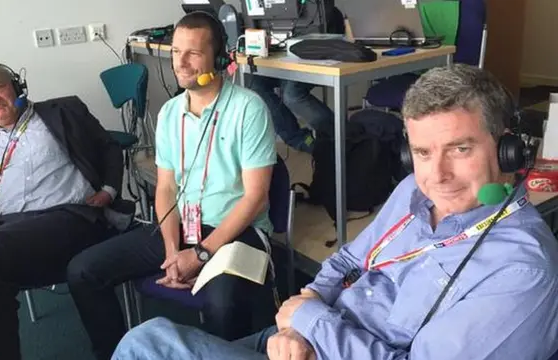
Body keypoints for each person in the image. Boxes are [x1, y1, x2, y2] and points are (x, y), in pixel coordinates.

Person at [110, 64, 558, 360]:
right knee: (146, 340)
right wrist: (303, 323)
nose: (437, 174)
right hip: (306, 338)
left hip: (326, 340)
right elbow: (345, 262)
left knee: (148, 345)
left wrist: (308, 320)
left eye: (460, 149)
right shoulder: (412, 193)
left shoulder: (519, 271)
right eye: (422, 152)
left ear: (509, 149)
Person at [66, 11, 278, 360]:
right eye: (176, 51)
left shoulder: (248, 108)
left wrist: (200, 254)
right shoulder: (169, 114)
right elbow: (165, 188)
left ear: (218, 57)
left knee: (222, 303)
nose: (181, 62)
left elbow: (255, 198)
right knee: (83, 271)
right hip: (182, 227)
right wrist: (170, 252)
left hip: (239, 230)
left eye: (193, 52)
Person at [0, 63, 124, 360]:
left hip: (72, 217)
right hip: (11, 237)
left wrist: (109, 190)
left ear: (16, 85)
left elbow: (109, 147)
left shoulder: (64, 111)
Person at [246, 4, 346, 153]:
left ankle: (342, 139)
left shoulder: (319, 10)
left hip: (320, 42)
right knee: (254, 84)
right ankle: (301, 140)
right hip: (284, 51)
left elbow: (330, 20)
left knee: (292, 95)